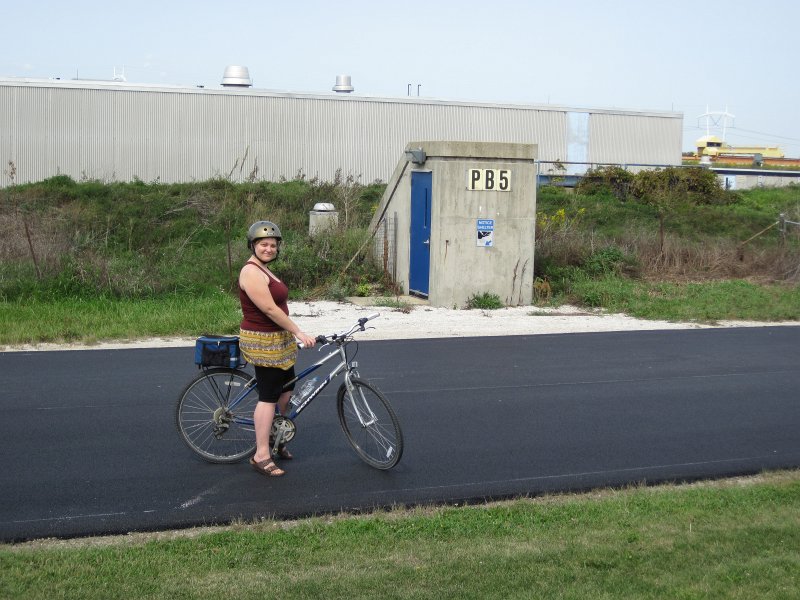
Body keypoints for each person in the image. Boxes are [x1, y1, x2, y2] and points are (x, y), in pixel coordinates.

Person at [238, 220, 316, 477]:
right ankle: (261, 455)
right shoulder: (251, 272)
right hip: (263, 341)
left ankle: (276, 436)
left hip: (279, 340)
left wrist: (291, 332)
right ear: (253, 245)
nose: (269, 249)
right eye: (264, 244)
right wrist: (299, 332)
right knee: (269, 396)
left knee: (286, 390)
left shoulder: (265, 269)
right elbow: (270, 309)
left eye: (273, 245)